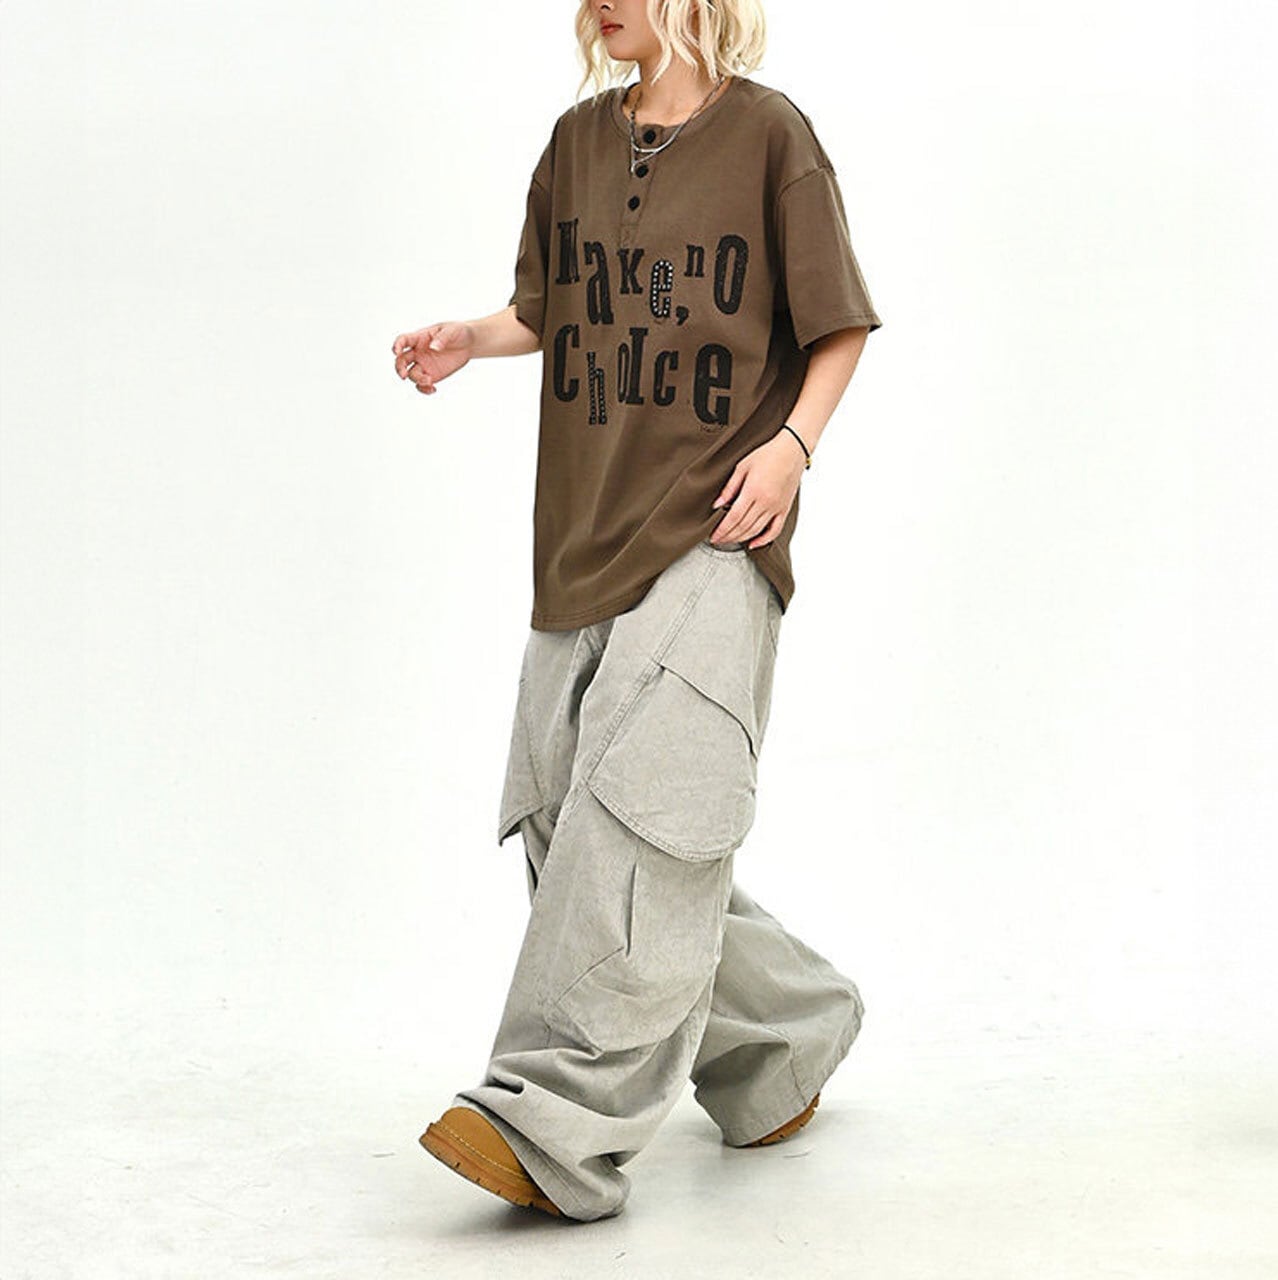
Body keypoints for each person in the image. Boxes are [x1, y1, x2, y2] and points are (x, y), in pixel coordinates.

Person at [391, 0, 883, 1223]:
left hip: (719, 524)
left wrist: (791, 449)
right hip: (583, 531)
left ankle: (550, 1115)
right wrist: (469, 338)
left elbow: (838, 324)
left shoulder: (772, 137)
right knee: (561, 811)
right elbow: (549, 307)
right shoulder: (574, 146)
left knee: (642, 808)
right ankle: (785, 1040)